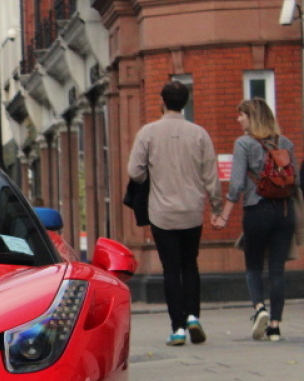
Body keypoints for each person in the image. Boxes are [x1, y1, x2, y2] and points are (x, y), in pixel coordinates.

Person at [127, 81, 222, 346]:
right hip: (192, 210)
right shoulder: (199, 134)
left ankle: (177, 328)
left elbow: (134, 171)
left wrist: (152, 175)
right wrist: (216, 206)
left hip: (162, 212)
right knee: (190, 264)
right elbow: (211, 176)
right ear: (185, 102)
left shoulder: (148, 133)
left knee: (171, 269)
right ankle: (193, 316)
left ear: (162, 101)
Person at [212, 98, 299, 341]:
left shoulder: (244, 143)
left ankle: (259, 308)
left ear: (252, 118)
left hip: (257, 211)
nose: (238, 119)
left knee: (253, 266)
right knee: (277, 271)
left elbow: (237, 184)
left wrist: (224, 215)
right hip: (284, 212)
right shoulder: (287, 143)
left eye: (241, 115)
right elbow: (296, 183)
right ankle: (275, 326)